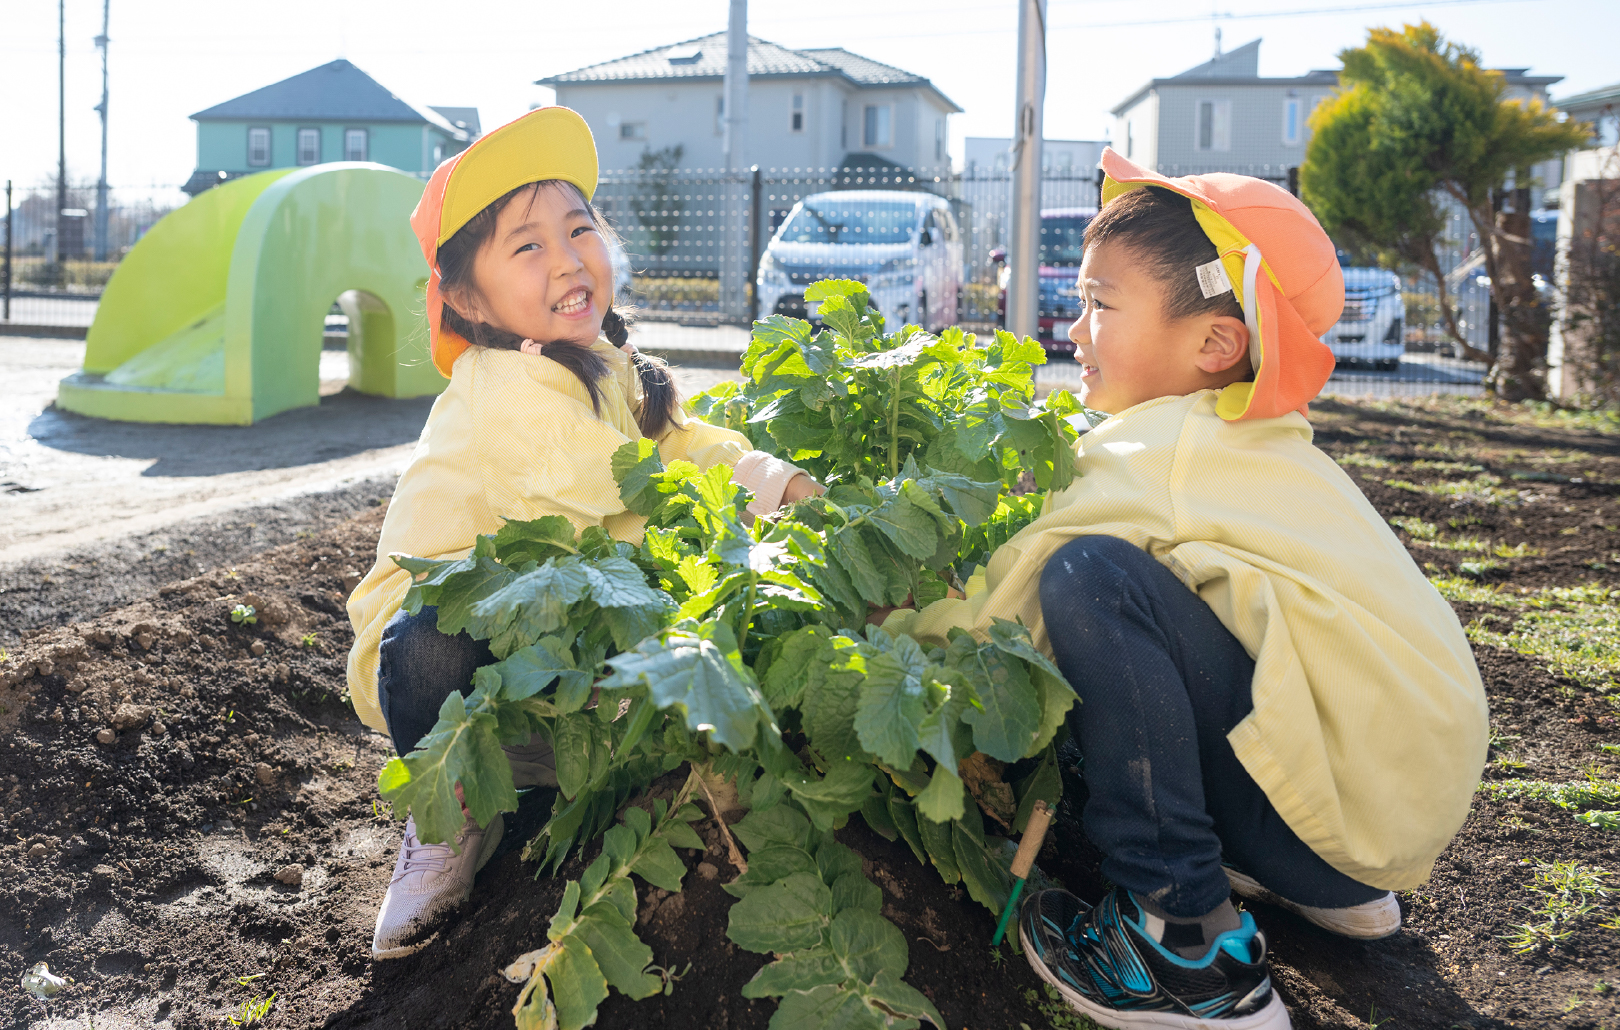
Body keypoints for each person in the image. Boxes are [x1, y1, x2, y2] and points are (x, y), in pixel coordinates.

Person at [885, 150, 1485, 1030]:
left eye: (1100, 305)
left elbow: (1002, 617)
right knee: (1162, 603)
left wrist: (898, 629)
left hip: (1335, 823)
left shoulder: (1156, 450)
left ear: (1214, 343)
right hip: (1378, 839)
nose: (1073, 330)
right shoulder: (1267, 443)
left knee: (1087, 578)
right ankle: (1317, 887)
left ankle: (1181, 941)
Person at [345, 107, 819, 961]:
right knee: (431, 644)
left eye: (579, 228)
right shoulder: (504, 389)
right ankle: (447, 817)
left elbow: (682, 440)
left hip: (549, 643)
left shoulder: (596, 360)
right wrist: (739, 515)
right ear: (464, 297)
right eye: (527, 246)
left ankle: (547, 765)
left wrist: (769, 478)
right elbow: (622, 490)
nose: (568, 259)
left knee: (641, 624)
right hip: (443, 665)